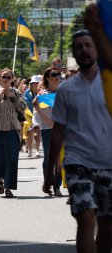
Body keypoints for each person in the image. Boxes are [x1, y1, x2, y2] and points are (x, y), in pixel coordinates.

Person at [43, 30, 112, 253]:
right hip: (77, 163)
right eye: (79, 46)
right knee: (85, 217)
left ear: (96, 49)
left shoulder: (109, 82)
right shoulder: (66, 89)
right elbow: (57, 132)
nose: (84, 50)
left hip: (108, 162)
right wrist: (49, 172)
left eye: (88, 45)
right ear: (74, 52)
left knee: (107, 225)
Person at [0, 69, 26, 198]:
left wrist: (12, 97)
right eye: (3, 77)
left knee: (12, 159)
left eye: (9, 77)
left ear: (12, 79)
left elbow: (23, 108)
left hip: (13, 130)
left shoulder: (17, 92)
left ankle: (8, 187)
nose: (6, 79)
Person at [32, 67, 62, 196]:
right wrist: (36, 127)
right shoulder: (43, 95)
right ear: (48, 77)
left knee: (60, 159)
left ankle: (57, 186)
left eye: (58, 74)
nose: (57, 77)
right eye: (54, 75)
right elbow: (39, 113)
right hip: (48, 129)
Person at [23, 75, 41, 157]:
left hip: (38, 114)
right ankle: (30, 149)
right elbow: (27, 102)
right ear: (31, 84)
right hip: (29, 114)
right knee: (30, 132)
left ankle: (37, 150)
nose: (36, 84)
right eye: (34, 83)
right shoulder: (27, 92)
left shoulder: (41, 91)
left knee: (37, 132)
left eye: (37, 83)